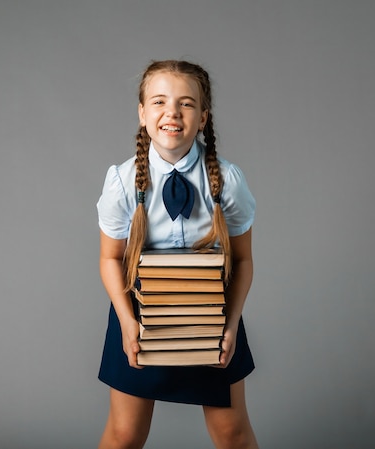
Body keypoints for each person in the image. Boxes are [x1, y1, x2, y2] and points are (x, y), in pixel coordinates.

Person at [96, 60, 259, 449]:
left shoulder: (228, 180)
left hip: (211, 315)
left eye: (186, 104)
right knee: (124, 436)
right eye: (159, 102)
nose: (172, 112)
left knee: (232, 435)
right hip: (138, 313)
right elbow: (109, 259)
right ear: (142, 113)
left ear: (203, 117)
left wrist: (231, 324)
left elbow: (243, 261)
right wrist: (126, 321)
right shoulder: (121, 182)